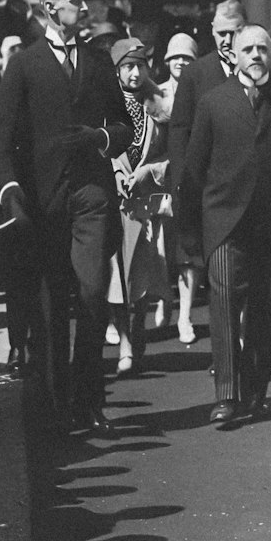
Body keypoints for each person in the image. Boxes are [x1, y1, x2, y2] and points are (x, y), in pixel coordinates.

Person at [0, 0, 131, 433]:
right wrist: (10, 191)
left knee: (91, 295)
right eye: (76, 2)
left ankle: (90, 400)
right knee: (50, 307)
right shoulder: (25, 66)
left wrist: (101, 137)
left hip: (91, 193)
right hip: (43, 199)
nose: (84, 9)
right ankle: (55, 405)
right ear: (50, 9)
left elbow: (125, 125)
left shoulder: (99, 60)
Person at [179, 24, 271, 427]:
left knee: (264, 311)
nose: (257, 55)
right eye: (248, 49)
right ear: (234, 55)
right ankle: (226, 396)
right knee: (225, 305)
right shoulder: (214, 103)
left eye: (263, 48)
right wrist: (190, 235)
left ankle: (255, 392)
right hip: (224, 223)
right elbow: (193, 171)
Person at [107, 37, 171, 374]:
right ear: (116, 70)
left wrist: (150, 171)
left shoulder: (160, 103)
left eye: (140, 66)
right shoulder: (106, 104)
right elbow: (99, 149)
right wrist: (115, 171)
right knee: (115, 273)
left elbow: (174, 153)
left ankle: (138, 327)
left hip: (145, 204)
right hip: (113, 203)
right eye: (128, 67)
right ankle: (126, 343)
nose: (134, 73)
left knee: (141, 273)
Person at [168, 0, 246, 271]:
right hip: (210, 192)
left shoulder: (261, 72)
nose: (226, 40)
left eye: (233, 33)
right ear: (211, 31)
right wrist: (181, 183)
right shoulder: (195, 75)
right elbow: (180, 132)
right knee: (218, 272)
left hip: (249, 193)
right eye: (220, 33)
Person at [156, 32, 199, 340]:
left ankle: (185, 315)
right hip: (159, 180)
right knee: (159, 248)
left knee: (186, 252)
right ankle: (163, 300)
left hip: (189, 181)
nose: (181, 62)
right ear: (167, 61)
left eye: (187, 57)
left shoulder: (202, 93)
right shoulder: (154, 93)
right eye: (175, 57)